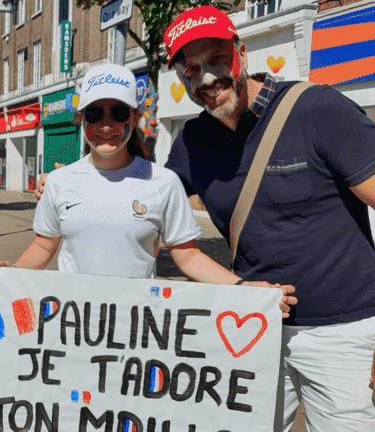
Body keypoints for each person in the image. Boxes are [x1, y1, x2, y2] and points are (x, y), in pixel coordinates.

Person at [158, 7, 375, 431]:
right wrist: (80, 180)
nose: (205, 79)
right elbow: (148, 211)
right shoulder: (192, 142)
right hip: (251, 332)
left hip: (344, 335)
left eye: (218, 58)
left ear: (241, 50)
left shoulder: (316, 109)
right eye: (191, 70)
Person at [0, 63, 295, 318]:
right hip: (71, 323)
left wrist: (244, 287)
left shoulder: (163, 183)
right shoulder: (59, 182)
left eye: (118, 113)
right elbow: (43, 247)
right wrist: (9, 276)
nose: (105, 125)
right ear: (81, 119)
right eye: (94, 113)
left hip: (137, 327)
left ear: (134, 118)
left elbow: (188, 258)